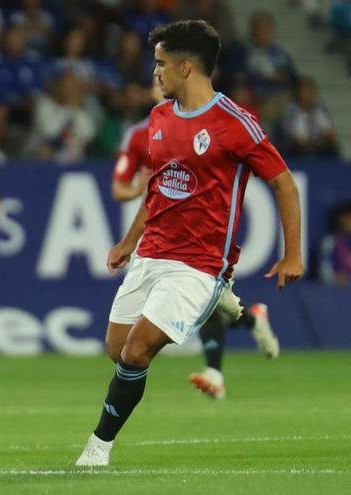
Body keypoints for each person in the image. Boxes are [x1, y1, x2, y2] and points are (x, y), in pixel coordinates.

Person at [77, 20, 303, 467]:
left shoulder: (234, 123)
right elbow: (159, 188)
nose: (154, 72)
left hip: (199, 262)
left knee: (138, 350)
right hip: (151, 252)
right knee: (117, 349)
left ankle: (97, 447)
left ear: (185, 67)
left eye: (160, 64)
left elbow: (285, 185)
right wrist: (129, 240)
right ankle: (234, 308)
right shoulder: (160, 119)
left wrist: (292, 253)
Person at [111, 79, 281, 401]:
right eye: (155, 74)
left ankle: (215, 373)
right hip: (158, 228)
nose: (161, 82)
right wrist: (144, 187)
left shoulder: (214, 123)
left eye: (165, 70)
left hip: (199, 232)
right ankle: (250, 318)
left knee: (193, 296)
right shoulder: (139, 133)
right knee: (178, 312)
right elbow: (119, 187)